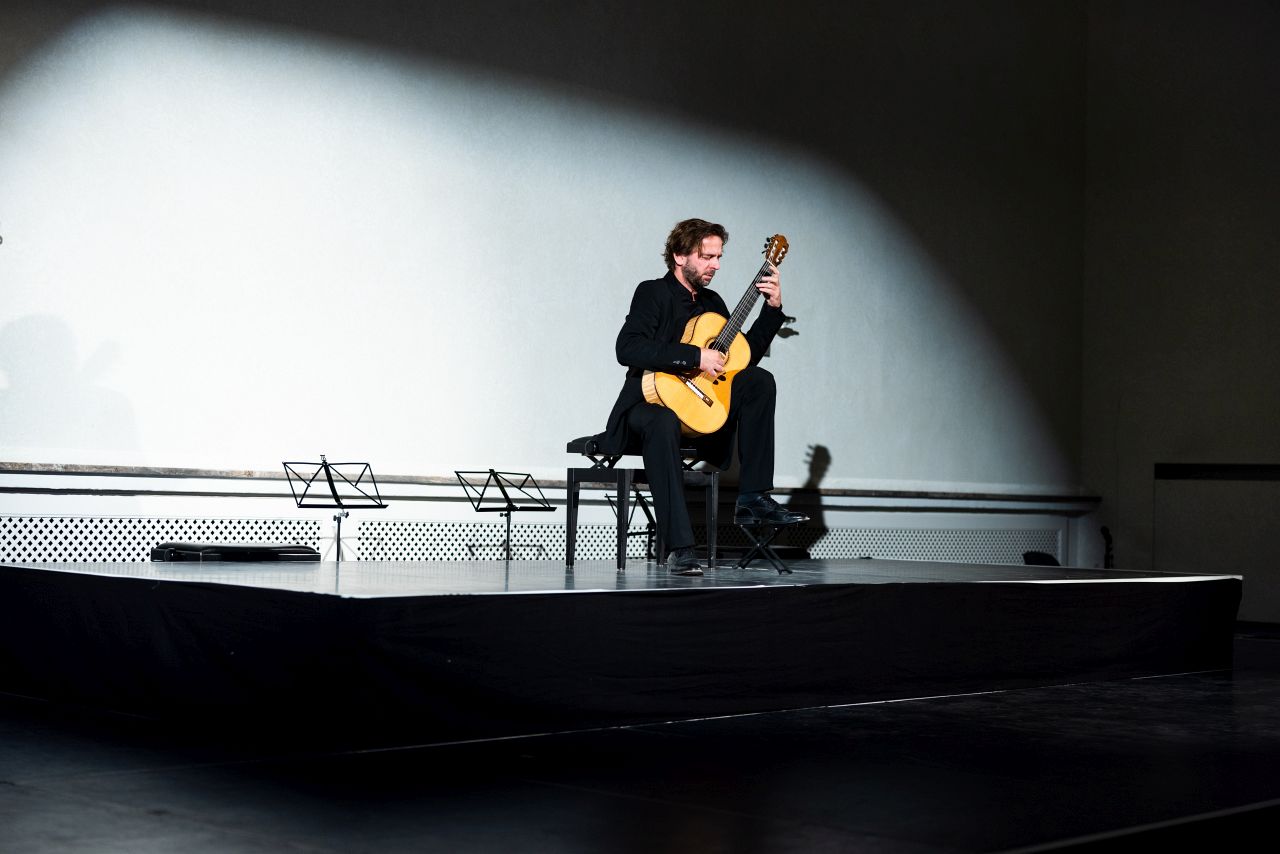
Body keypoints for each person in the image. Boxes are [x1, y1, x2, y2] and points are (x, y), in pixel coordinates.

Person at [596, 217, 807, 576]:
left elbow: (740, 360)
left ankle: (753, 496)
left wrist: (772, 310)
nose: (716, 265)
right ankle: (680, 548)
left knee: (758, 380)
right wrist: (695, 357)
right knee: (662, 421)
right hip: (648, 406)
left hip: (699, 412)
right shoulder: (653, 293)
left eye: (719, 257)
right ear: (680, 256)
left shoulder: (713, 303)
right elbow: (627, 348)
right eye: (707, 257)